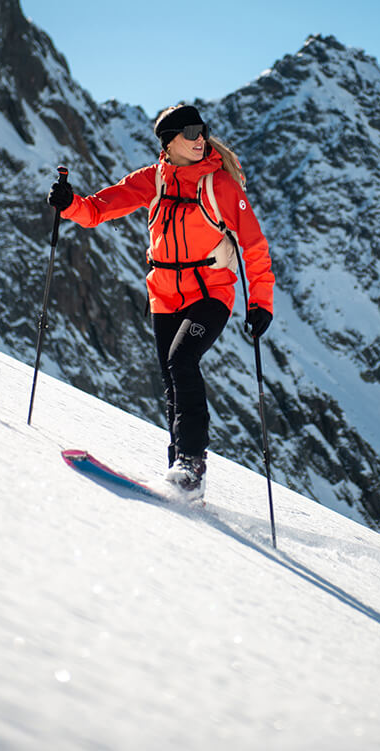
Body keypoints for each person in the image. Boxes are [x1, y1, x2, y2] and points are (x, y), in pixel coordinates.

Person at [47, 104, 275, 497]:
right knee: (172, 381)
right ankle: (181, 475)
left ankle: (191, 467)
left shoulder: (221, 185)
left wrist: (261, 302)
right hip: (164, 296)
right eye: (189, 132)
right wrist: (69, 204)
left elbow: (253, 245)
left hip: (210, 293)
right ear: (168, 141)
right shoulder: (152, 180)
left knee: (181, 361)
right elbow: (100, 208)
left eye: (201, 129)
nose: (199, 137)